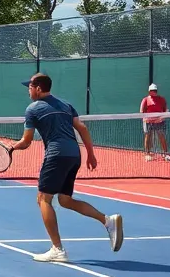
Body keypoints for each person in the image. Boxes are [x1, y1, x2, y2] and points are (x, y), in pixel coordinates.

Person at [9, 72, 123, 264]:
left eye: (29, 87)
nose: (28, 91)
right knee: (65, 200)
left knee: (43, 199)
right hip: (74, 155)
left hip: (56, 155)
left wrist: (11, 147)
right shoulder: (66, 106)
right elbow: (82, 128)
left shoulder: (32, 109)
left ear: (38, 88)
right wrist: (91, 154)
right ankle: (108, 221)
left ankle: (57, 249)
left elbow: (27, 141)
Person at [140, 83, 170, 162]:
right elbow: (141, 112)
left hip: (159, 122)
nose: (153, 92)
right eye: (152, 90)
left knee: (161, 136)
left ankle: (166, 154)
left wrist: (161, 118)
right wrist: (146, 118)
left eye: (155, 90)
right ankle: (147, 154)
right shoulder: (145, 100)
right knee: (148, 137)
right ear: (149, 91)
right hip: (148, 122)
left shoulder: (162, 99)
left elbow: (166, 111)